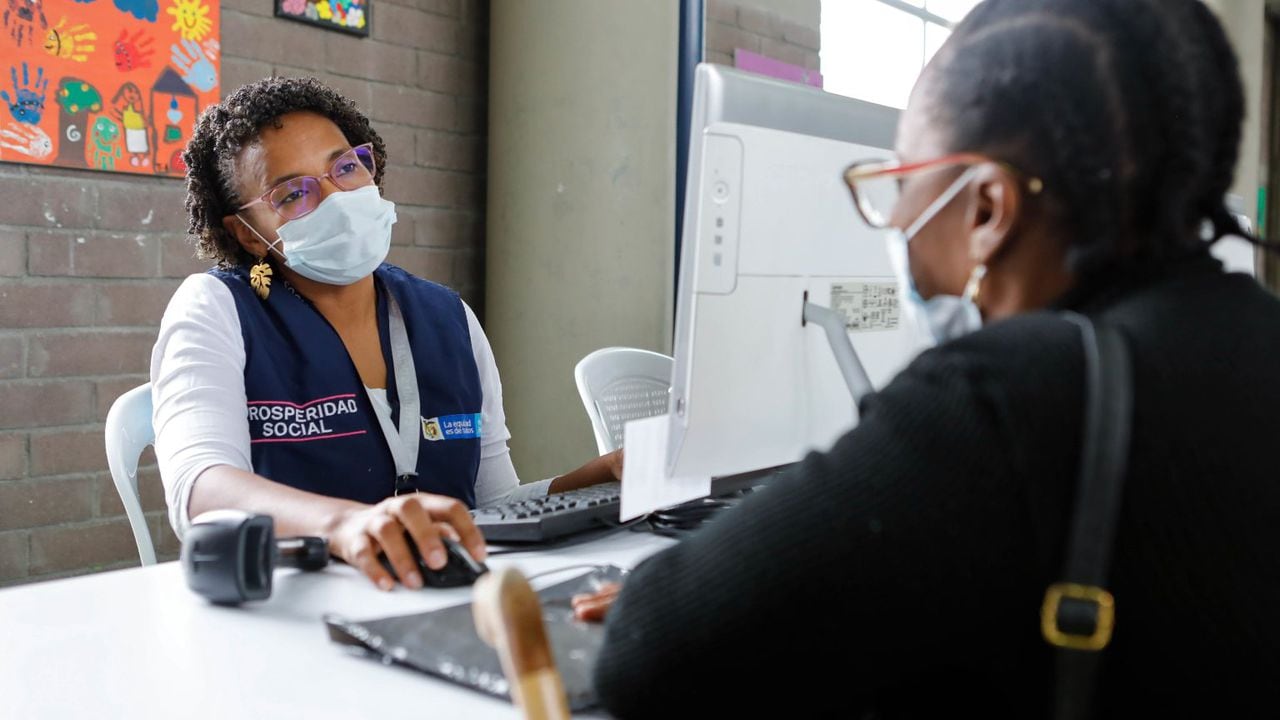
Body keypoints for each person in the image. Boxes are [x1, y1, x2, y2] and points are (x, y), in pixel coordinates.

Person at [583, 0, 1280, 716]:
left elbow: (652, 648)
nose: (894, 224)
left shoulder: (1005, 395)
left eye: (900, 187)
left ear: (986, 210)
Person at [151, 77, 622, 591]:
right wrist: (343, 524)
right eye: (293, 193)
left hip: (439, 599)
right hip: (302, 612)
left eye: (346, 167)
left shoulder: (449, 318)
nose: (336, 197)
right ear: (247, 232)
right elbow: (198, 490)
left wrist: (595, 480)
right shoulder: (219, 309)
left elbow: (489, 506)